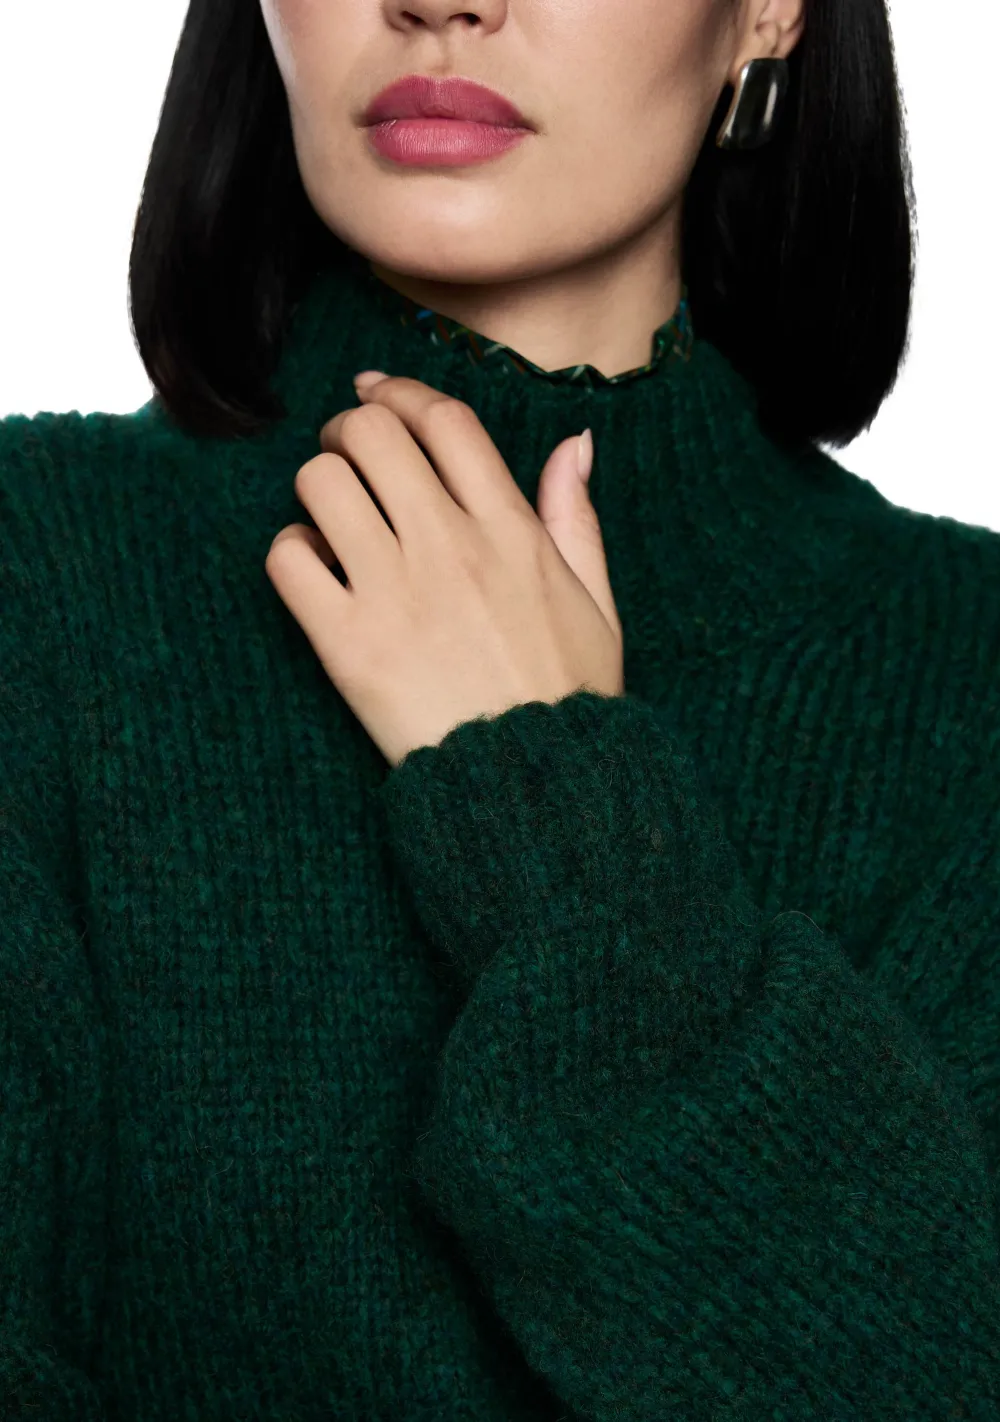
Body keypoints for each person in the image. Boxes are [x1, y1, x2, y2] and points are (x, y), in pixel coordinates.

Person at [3, 0, 999, 1417]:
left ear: (770, 10)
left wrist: (559, 811)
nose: (441, 0)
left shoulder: (972, 679)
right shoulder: (34, 578)